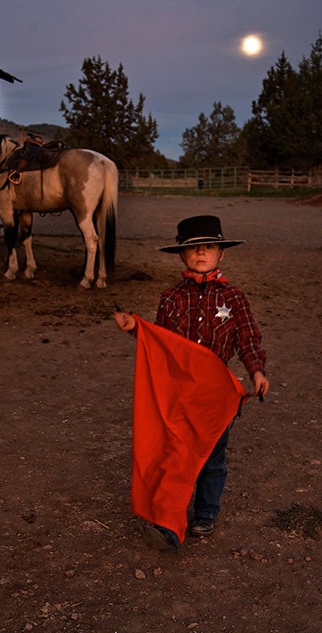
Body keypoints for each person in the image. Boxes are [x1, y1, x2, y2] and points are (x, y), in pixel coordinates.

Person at [114, 214, 269, 552]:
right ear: (182, 255)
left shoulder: (235, 299)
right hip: (180, 392)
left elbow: (247, 338)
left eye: (209, 247)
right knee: (176, 453)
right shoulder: (171, 298)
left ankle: (205, 512)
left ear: (221, 254)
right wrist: (135, 328)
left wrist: (256, 371)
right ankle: (168, 521)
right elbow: (161, 342)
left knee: (212, 457)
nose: (201, 254)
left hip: (215, 394)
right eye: (194, 249)